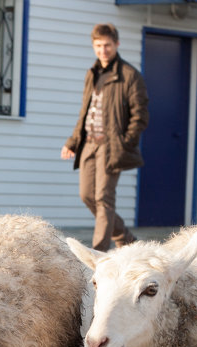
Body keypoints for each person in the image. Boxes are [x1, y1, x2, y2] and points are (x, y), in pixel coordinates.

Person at [61, 23, 148, 251]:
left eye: (107, 45)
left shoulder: (130, 75)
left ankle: (98, 252)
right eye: (98, 46)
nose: (103, 51)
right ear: (93, 46)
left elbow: (141, 116)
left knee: (103, 198)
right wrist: (72, 141)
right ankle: (126, 239)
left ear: (116, 44)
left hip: (112, 146)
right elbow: (85, 111)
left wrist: (125, 142)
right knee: (87, 195)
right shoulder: (93, 73)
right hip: (89, 143)